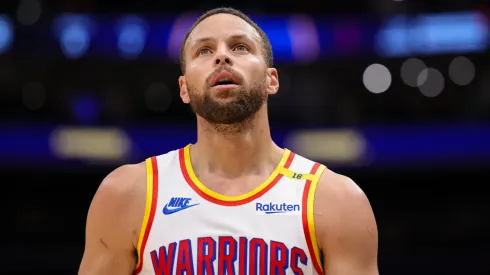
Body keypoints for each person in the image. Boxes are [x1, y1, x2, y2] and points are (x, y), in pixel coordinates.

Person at [78, 7, 378, 275]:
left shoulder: (337, 201)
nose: (222, 56)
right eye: (204, 51)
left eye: (240, 47)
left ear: (272, 79)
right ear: (183, 88)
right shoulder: (127, 194)